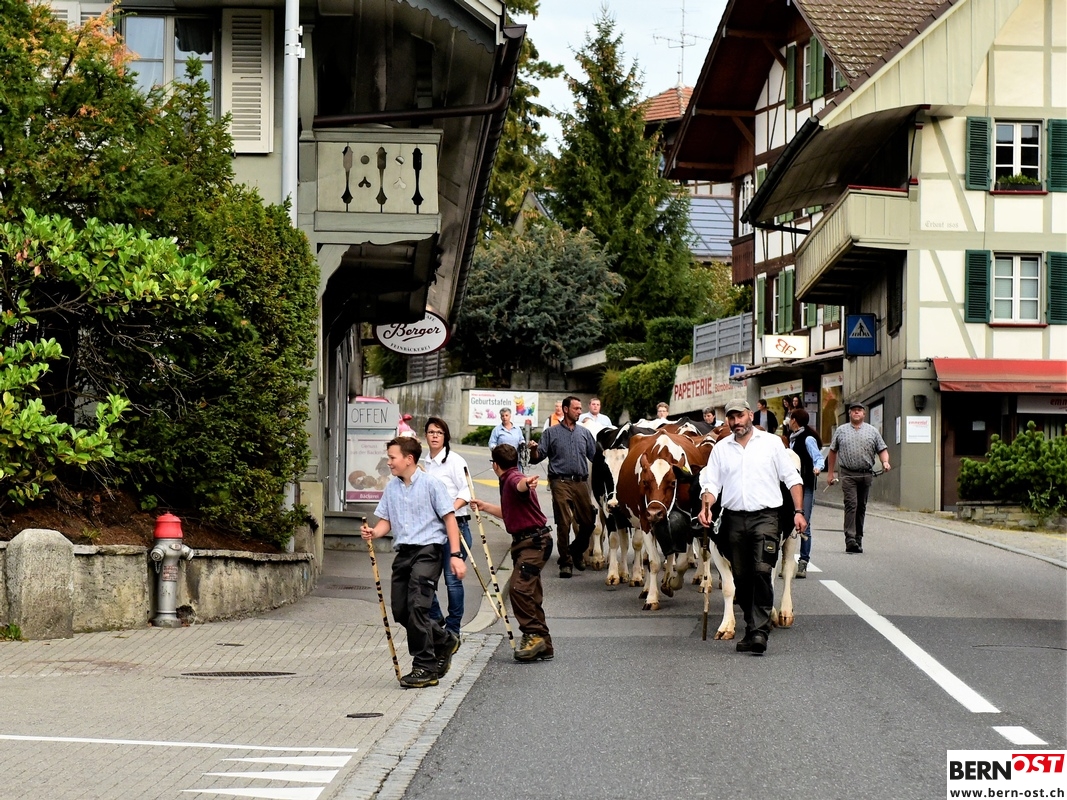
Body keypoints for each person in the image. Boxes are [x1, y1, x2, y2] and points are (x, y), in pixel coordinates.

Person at [697, 398, 806, 655]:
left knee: (762, 570)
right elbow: (712, 484)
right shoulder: (721, 449)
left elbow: (792, 478)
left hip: (766, 517)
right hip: (734, 519)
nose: (736, 422)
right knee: (741, 577)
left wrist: (799, 512)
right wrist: (706, 505)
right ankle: (751, 627)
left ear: (750, 416)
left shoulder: (771, 444)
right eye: (731, 418)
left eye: (740, 416)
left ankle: (759, 632)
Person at [361, 437, 466, 689]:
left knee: (418, 606)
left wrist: (455, 555)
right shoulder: (392, 488)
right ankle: (444, 640)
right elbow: (386, 520)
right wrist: (374, 532)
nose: (388, 462)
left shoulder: (431, 485)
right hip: (404, 553)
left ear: (409, 459)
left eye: (392, 457)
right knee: (401, 611)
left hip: (428, 551)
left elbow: (450, 519)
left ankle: (425, 667)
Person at [470, 444, 555, 662]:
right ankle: (544, 645)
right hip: (530, 542)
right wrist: (485, 506)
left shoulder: (512, 479)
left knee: (519, 588)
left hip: (534, 543)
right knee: (531, 592)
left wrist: (527, 483)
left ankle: (533, 635)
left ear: (495, 465)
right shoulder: (510, 478)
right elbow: (510, 513)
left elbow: (520, 485)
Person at [528, 396, 597, 578]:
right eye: (576, 408)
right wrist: (533, 449)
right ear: (566, 409)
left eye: (580, 408)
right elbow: (537, 458)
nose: (580, 411)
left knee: (589, 521)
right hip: (560, 482)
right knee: (564, 523)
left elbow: (596, 458)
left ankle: (576, 550)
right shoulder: (550, 433)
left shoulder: (584, 433)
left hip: (581, 482)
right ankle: (565, 562)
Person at [421, 417, 473, 637]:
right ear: (425, 435)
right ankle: (436, 618)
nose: (435, 436)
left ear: (445, 437)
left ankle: (453, 628)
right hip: (433, 530)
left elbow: (467, 490)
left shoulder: (454, 461)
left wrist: (449, 509)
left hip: (457, 527)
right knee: (423, 577)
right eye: (431, 432)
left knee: (452, 581)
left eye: (439, 433)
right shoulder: (426, 463)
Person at [826, 401, 891, 554]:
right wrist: (830, 473)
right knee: (851, 504)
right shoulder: (841, 431)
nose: (856, 412)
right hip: (848, 474)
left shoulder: (872, 431)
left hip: (866, 474)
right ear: (849, 413)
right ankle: (850, 539)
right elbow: (832, 451)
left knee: (861, 506)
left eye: (859, 410)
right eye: (853, 410)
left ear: (864, 414)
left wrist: (885, 462)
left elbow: (882, 449)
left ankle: (858, 538)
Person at [787, 408, 824, 578]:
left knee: (804, 522)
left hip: (806, 485)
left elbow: (819, 458)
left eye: (790, 418)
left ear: (794, 420)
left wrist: (818, 468)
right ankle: (787, 563)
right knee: (788, 523)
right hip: (792, 486)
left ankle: (803, 561)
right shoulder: (792, 438)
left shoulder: (808, 438)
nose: (788, 421)